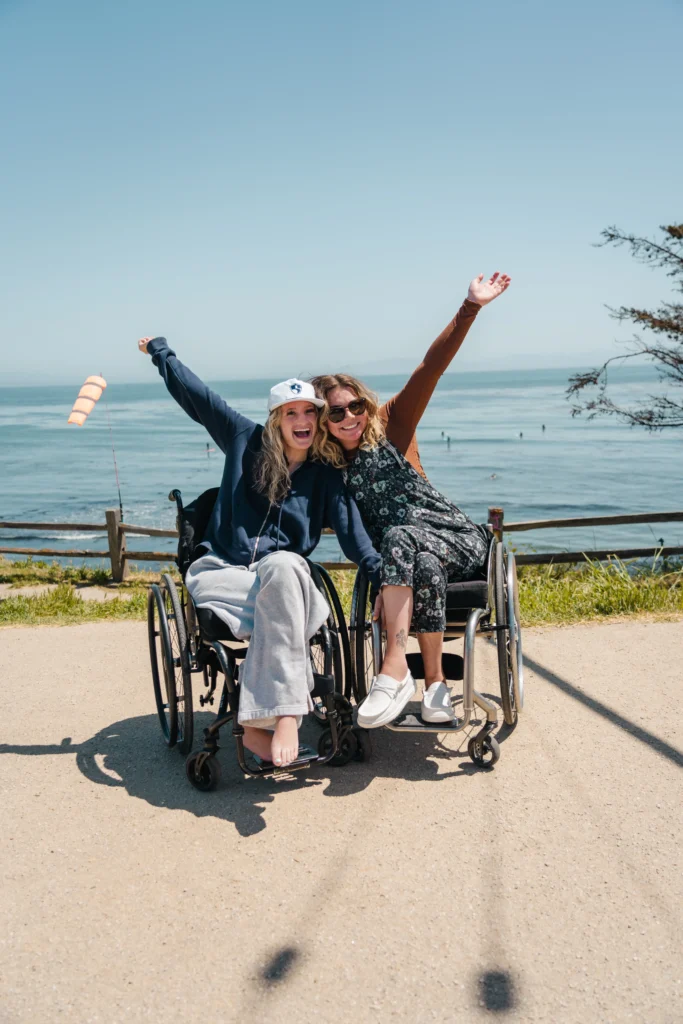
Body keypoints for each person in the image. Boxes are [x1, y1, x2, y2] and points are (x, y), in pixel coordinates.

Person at [138, 336, 381, 766]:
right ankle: (285, 710)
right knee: (290, 603)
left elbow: (353, 535)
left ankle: (261, 724)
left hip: (281, 581)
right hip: (221, 574)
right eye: (292, 413)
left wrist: (383, 578)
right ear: (276, 420)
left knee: (286, 567)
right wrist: (162, 353)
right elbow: (197, 397)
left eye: (310, 412)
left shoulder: (325, 475)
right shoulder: (243, 439)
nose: (302, 420)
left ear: (320, 420)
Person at [310, 271, 511, 728]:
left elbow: (431, 367)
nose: (349, 416)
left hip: (461, 542)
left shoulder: (392, 423)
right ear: (323, 421)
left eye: (354, 405)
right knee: (414, 557)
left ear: (365, 403)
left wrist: (471, 307)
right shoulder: (329, 469)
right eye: (336, 411)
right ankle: (436, 687)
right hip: (413, 557)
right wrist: (381, 576)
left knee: (401, 537)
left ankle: (394, 669)